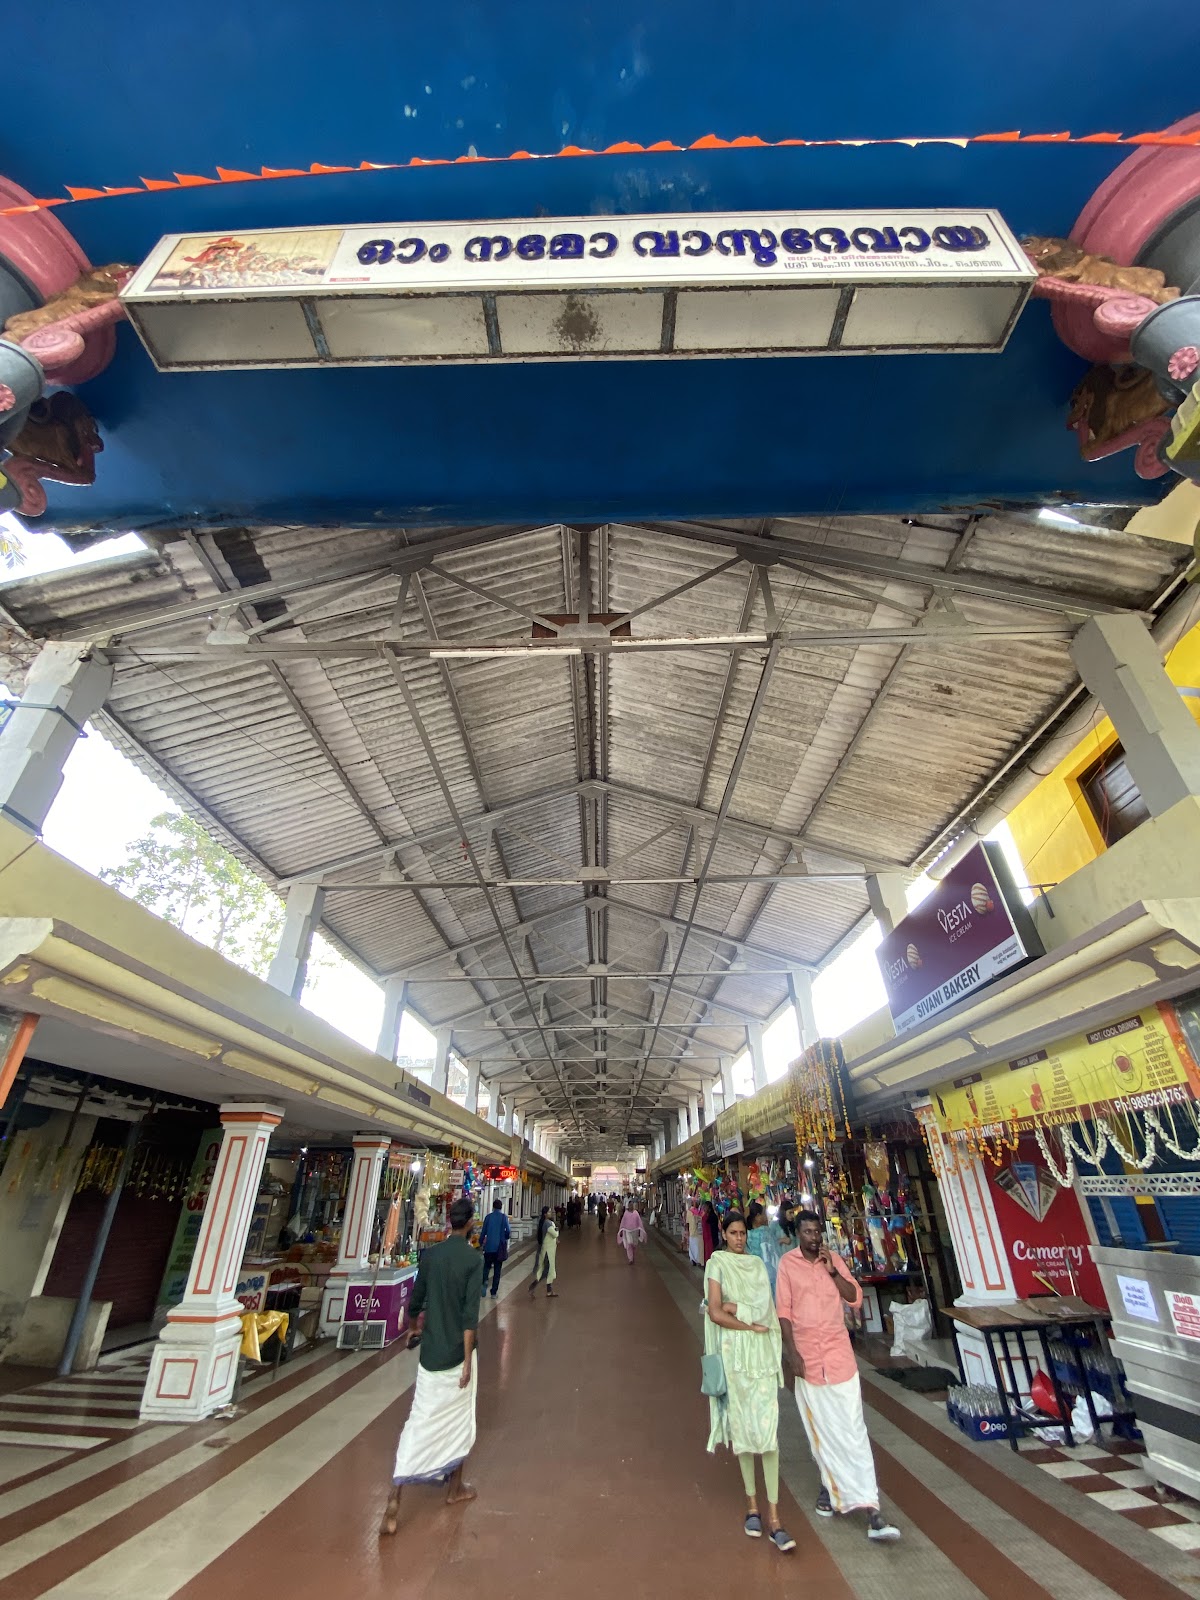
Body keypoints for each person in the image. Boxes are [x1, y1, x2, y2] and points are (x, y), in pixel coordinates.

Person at [775, 1211, 900, 1543]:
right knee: (822, 1432)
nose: (813, 1237)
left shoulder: (835, 1261)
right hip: (809, 1362)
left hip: (839, 1359)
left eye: (817, 1232)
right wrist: (792, 1354)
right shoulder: (788, 1265)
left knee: (853, 1431)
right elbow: (783, 1312)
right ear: (797, 1233)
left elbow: (854, 1298)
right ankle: (829, 1488)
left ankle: (871, 1507)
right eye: (807, 1232)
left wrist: (833, 1270)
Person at [382, 1196, 483, 1534]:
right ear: (469, 1223)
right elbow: (470, 1316)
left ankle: (395, 1495)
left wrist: (413, 1327)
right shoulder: (472, 1259)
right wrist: (467, 1361)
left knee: (419, 1419)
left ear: (449, 1222)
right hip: (456, 1353)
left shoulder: (431, 1255)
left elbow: (416, 1298)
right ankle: (454, 1489)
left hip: (430, 1356)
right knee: (460, 1421)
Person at [703, 1212, 796, 1554]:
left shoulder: (757, 1266)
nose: (740, 1238)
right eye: (734, 1233)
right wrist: (748, 1323)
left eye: (743, 1233)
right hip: (734, 1355)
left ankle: (775, 1518)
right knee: (743, 1430)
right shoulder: (717, 1264)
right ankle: (752, 1507)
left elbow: (766, 1308)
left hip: (761, 1357)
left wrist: (738, 1309)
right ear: (724, 1234)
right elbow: (715, 1311)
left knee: (768, 1432)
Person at [745, 1201, 792, 1295]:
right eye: (763, 1214)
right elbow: (774, 1251)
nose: (765, 1217)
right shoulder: (766, 1232)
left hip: (756, 1277)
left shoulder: (748, 1235)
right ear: (758, 1216)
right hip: (771, 1273)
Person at [478, 1198, 511, 1298]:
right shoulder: (503, 1217)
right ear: (501, 1207)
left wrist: (480, 1242)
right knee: (497, 1270)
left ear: (493, 1207)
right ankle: (493, 1292)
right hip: (499, 1249)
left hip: (488, 1247)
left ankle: (484, 1284)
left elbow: (483, 1232)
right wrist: (505, 1237)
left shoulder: (488, 1217)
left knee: (486, 1268)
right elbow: (508, 1231)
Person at [528, 1205, 560, 1297]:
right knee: (546, 1270)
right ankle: (533, 1286)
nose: (551, 1213)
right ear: (545, 1214)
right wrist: (557, 1230)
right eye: (549, 1212)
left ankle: (549, 1291)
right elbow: (554, 1233)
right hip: (547, 1252)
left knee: (548, 1270)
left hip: (548, 1250)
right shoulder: (547, 1223)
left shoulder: (545, 1222)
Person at [617, 1200, 647, 1265]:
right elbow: (623, 1222)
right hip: (627, 1231)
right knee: (629, 1243)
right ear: (628, 1205)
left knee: (634, 1244)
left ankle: (632, 1256)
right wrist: (622, 1230)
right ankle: (630, 1259)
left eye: (632, 1205)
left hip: (635, 1230)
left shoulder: (636, 1213)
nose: (631, 1206)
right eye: (630, 1205)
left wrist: (639, 1230)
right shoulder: (626, 1213)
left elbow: (639, 1222)